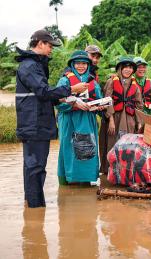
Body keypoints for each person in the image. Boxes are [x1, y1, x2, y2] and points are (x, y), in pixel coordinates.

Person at [15, 29, 88, 208]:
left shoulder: (33, 64)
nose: (51, 49)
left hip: (33, 123)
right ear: (40, 43)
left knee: (31, 166)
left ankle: (31, 210)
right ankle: (36, 208)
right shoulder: (30, 65)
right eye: (49, 45)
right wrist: (72, 89)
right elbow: (43, 91)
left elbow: (41, 94)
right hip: (34, 124)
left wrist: (62, 98)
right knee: (36, 167)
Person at [56, 50, 105, 184]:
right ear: (72, 64)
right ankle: (66, 180)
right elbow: (57, 102)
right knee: (68, 148)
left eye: (84, 63)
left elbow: (99, 99)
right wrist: (75, 105)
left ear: (88, 65)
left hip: (88, 121)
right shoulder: (64, 80)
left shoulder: (93, 82)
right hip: (69, 121)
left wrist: (99, 106)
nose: (81, 66)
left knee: (88, 148)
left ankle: (85, 181)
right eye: (77, 63)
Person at [99, 57, 143, 174]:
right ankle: (110, 171)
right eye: (125, 67)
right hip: (114, 118)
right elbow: (107, 101)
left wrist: (139, 123)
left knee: (127, 145)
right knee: (112, 143)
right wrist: (111, 120)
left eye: (130, 67)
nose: (128, 70)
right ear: (120, 68)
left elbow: (139, 105)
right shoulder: (111, 81)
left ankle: (125, 172)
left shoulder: (135, 85)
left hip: (129, 120)